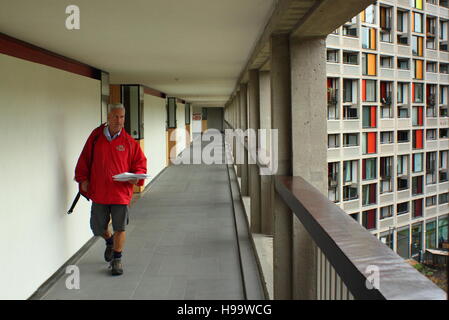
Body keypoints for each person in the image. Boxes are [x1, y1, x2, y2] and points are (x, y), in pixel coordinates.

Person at [75, 104, 147, 276]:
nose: (119, 121)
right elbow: (84, 158)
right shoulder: (95, 138)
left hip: (120, 193)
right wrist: (82, 179)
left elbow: (140, 165)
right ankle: (109, 241)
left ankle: (117, 259)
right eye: (115, 116)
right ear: (108, 117)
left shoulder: (129, 142)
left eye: (122, 117)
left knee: (120, 228)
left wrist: (136, 176)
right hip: (99, 191)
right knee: (97, 227)